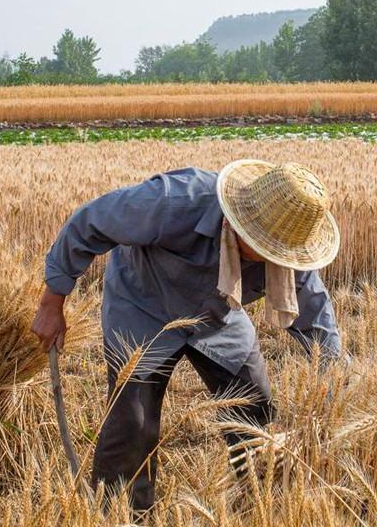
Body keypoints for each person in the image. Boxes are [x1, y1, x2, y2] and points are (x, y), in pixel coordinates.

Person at [30, 161, 343, 513]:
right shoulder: (174, 201)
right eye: (265, 249)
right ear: (240, 224)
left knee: (254, 406)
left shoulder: (289, 255)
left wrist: (330, 394)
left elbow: (319, 326)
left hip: (218, 316)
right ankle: (123, 516)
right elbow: (91, 221)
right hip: (143, 306)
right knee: (132, 424)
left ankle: (262, 507)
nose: (275, 260)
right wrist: (52, 300)